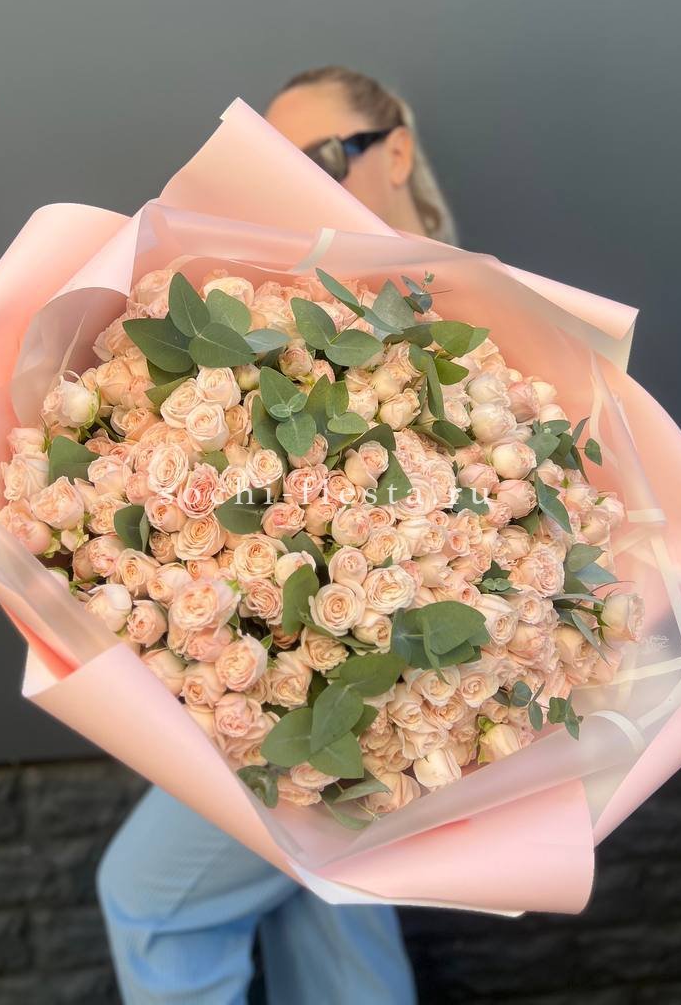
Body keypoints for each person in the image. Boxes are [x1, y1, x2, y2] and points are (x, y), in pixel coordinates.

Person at [96, 66, 457, 1005]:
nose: (297, 183)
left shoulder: (461, 319)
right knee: (330, 926)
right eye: (276, 166)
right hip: (307, 704)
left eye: (322, 157)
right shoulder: (296, 310)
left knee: (148, 902)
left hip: (375, 710)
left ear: (395, 152)